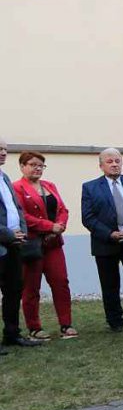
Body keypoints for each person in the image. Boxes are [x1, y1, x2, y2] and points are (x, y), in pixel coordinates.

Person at [81, 148, 123, 332]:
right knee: (110, 285)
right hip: (105, 244)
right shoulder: (90, 187)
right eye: (109, 161)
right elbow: (88, 218)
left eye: (117, 161)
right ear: (101, 165)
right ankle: (115, 321)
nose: (114, 164)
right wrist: (110, 234)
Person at [13, 152, 77, 340]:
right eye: (33, 164)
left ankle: (66, 324)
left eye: (41, 165)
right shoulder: (16, 188)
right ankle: (34, 327)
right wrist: (49, 226)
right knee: (31, 287)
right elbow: (22, 216)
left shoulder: (49, 186)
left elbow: (63, 209)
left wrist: (60, 226)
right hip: (33, 245)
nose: (37, 168)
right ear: (22, 166)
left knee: (61, 282)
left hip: (53, 243)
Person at [0, 138, 40, 350]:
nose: (3, 153)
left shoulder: (4, 177)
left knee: (14, 290)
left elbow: (16, 209)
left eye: (5, 149)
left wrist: (22, 232)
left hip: (14, 244)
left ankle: (12, 334)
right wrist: (9, 234)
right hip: (4, 241)